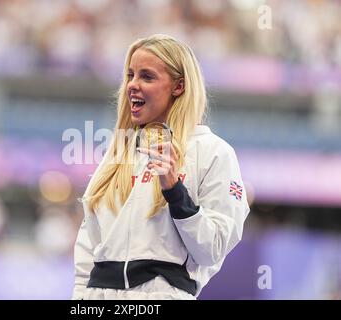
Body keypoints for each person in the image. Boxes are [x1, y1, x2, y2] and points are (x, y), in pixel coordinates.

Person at [72, 34, 250, 300]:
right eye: (130, 75)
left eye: (147, 76)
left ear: (178, 86)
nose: (132, 85)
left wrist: (175, 191)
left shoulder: (214, 152)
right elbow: (89, 247)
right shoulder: (118, 152)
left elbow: (212, 249)